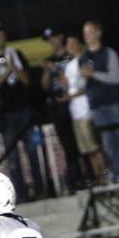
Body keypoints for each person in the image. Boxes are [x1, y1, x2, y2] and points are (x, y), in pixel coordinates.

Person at [0, 22, 45, 201]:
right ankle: (21, 194)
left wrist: (15, 67)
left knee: (32, 152)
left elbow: (27, 81)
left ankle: (40, 190)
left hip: (24, 111)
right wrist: (6, 71)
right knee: (12, 158)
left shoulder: (16, 54)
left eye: (1, 34)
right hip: (5, 114)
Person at [79, 20, 119, 182]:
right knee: (109, 144)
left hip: (113, 103)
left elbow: (116, 77)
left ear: (98, 33)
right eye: (85, 32)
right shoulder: (83, 58)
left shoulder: (108, 53)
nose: (87, 35)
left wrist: (94, 74)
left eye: (90, 31)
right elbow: (81, 84)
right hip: (97, 106)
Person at [41, 30, 83, 192]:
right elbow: (45, 86)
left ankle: (90, 176)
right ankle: (75, 180)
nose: (52, 41)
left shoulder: (72, 55)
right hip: (58, 107)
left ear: (60, 37)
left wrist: (56, 69)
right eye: (48, 39)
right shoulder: (49, 60)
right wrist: (47, 69)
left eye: (54, 37)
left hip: (74, 104)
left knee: (81, 144)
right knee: (67, 147)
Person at [64, 34, 107, 183]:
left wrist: (73, 95)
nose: (69, 46)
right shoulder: (68, 65)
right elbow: (70, 87)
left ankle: (106, 177)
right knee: (88, 150)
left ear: (79, 44)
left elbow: (87, 85)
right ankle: (99, 179)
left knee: (95, 147)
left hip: (86, 109)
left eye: (72, 42)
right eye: (67, 44)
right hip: (75, 112)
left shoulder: (84, 60)